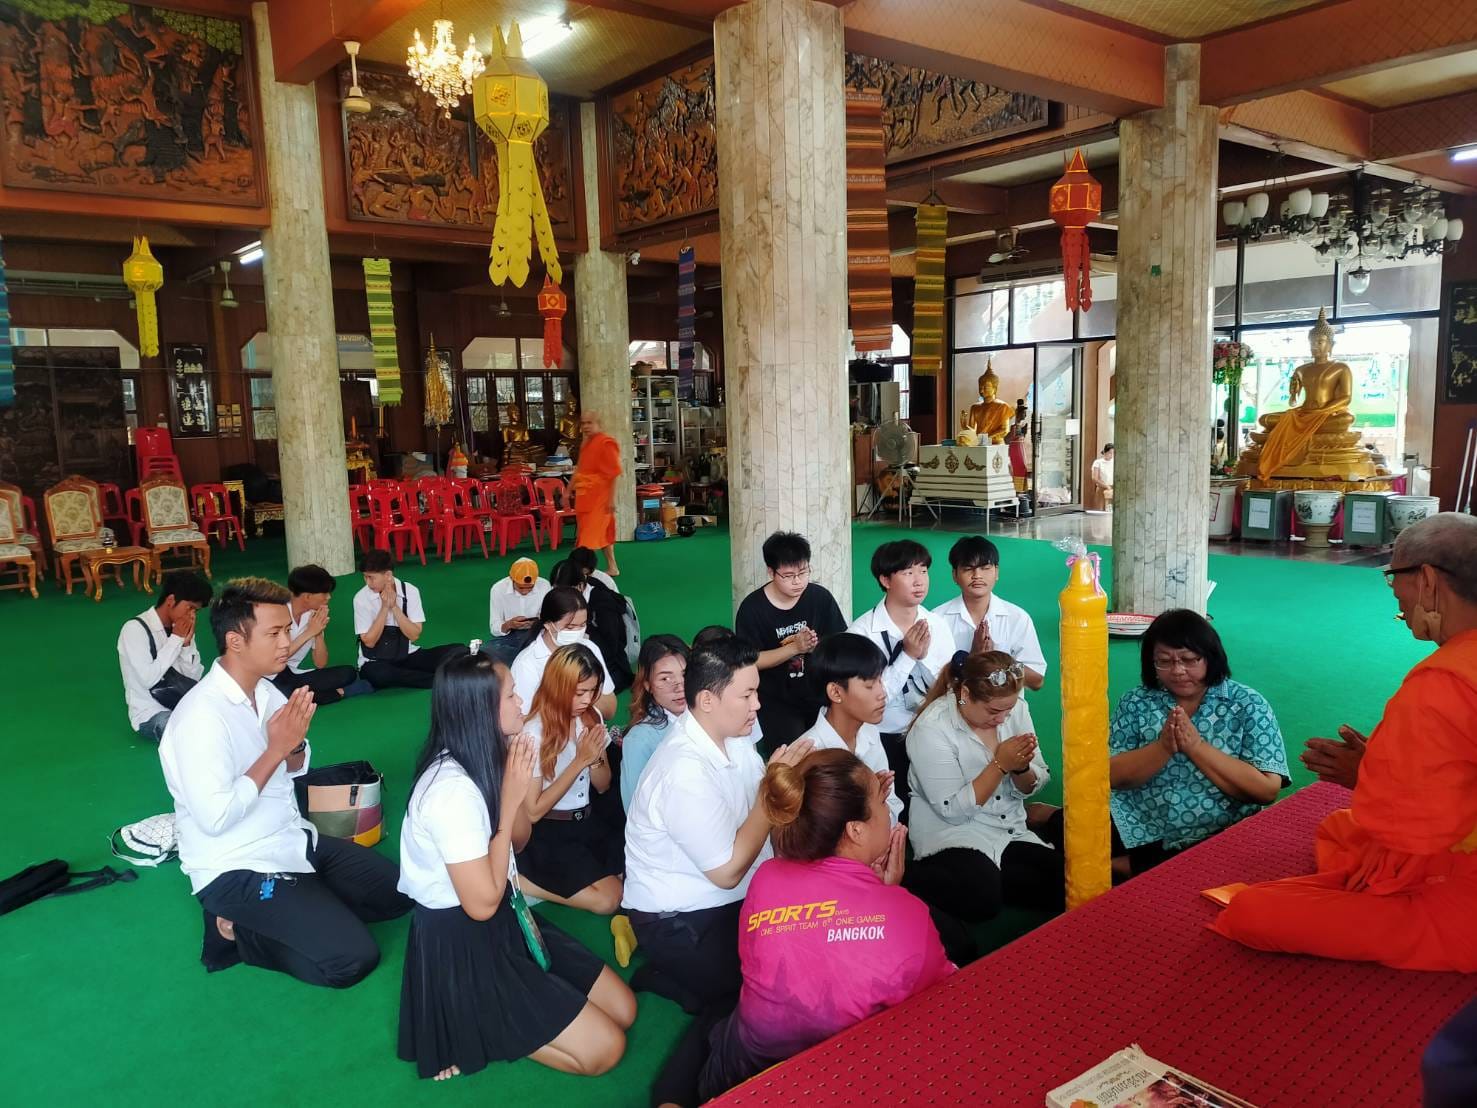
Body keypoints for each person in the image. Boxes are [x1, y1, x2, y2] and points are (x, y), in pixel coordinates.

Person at [1213, 515, 1477, 971]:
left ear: (1429, 580)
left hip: (1460, 899)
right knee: (1340, 828)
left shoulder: (1443, 685)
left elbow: (1413, 827)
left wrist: (1365, 775)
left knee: (1253, 913)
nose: (1395, 594)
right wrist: (1382, 767)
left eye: (1395, 578)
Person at [653, 749, 951, 1107]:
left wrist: (875, 896)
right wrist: (887, 899)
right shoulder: (907, 919)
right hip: (835, 1085)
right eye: (881, 802)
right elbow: (937, 996)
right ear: (855, 830)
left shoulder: (767, 877)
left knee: (721, 1014)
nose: (888, 811)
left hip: (739, 1070)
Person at [159, 578, 411, 987]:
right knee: (352, 960)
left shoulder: (268, 693)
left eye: (287, 630)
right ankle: (235, 931)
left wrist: (292, 749)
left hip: (293, 839)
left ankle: (307, 903)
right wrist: (276, 750)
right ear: (235, 641)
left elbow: (292, 769)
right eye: (274, 633)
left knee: (401, 894)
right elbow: (215, 818)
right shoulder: (199, 718)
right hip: (237, 866)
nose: (287, 643)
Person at [397, 652, 634, 1081]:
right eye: (511, 695)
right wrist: (508, 804)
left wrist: (515, 786)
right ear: (482, 710)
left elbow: (519, 840)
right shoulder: (450, 792)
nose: (522, 701)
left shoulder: (494, 753)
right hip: (464, 939)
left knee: (625, 1009)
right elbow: (480, 906)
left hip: (508, 911)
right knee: (606, 1050)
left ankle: (504, 1010)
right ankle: (471, 1021)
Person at [622, 637, 812, 1014]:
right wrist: (771, 793)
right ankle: (667, 975)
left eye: (756, 692)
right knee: (757, 991)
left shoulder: (734, 735)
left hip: (734, 891)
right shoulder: (683, 769)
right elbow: (726, 872)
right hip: (678, 916)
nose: (757, 705)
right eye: (747, 695)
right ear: (707, 700)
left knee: (801, 953)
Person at [1110, 609, 1287, 876]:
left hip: (1216, 830)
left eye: (1189, 659)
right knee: (1075, 831)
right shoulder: (1136, 701)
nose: (1178, 671)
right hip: (1136, 821)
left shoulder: (1248, 704)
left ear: (1210, 657)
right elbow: (1110, 775)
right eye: (1164, 661)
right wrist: (1162, 748)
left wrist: (1196, 747)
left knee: (1197, 868)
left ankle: (1126, 868)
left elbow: (1266, 790)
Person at [904, 651, 1062, 920]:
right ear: (965, 694)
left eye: (1009, 710)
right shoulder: (931, 728)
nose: (1003, 719)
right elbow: (951, 810)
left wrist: (1021, 768)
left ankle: (993, 876)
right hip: (952, 833)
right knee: (982, 898)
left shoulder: (1015, 709)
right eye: (993, 711)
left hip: (1008, 830)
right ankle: (907, 876)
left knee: (1066, 880)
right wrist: (999, 765)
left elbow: (1037, 779)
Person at [516, 644, 625, 915]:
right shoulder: (534, 733)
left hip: (586, 818)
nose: (587, 700)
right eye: (579, 693)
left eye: (592, 691)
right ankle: (520, 882)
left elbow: (603, 784)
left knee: (631, 875)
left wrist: (595, 756)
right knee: (609, 900)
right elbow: (533, 811)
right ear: (557, 687)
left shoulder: (590, 716)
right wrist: (579, 761)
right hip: (550, 829)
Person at [847, 539, 954, 815]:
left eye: (923, 571)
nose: (919, 581)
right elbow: (866, 701)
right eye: (908, 573)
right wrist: (907, 656)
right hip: (883, 736)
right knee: (889, 810)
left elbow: (949, 689)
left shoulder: (938, 625)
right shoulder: (861, 634)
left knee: (935, 807)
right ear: (885, 580)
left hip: (932, 731)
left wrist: (923, 659)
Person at [735, 531, 848, 750]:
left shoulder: (819, 597)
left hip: (819, 693)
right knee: (793, 758)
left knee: (829, 755)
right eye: (788, 576)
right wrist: (795, 647)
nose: (798, 582)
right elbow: (750, 661)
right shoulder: (753, 608)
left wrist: (816, 646)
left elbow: (839, 641)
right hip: (777, 701)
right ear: (771, 572)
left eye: (803, 572)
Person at [798, 633, 902, 824]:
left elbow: (892, 803)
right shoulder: (808, 753)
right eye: (870, 685)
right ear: (836, 692)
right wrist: (872, 802)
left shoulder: (869, 732)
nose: (882, 694)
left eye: (880, 681)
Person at [932, 536, 1047, 691]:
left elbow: (1036, 680)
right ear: (955, 575)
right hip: (955, 702)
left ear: (996, 572)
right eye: (968, 569)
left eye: (985, 568)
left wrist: (997, 662)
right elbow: (932, 681)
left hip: (1007, 705)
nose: (977, 575)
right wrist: (971, 659)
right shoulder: (937, 619)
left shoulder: (1017, 618)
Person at [353, 549, 468, 691]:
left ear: (388, 575)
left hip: (407, 654)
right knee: (378, 674)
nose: (367, 582)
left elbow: (414, 635)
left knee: (459, 650)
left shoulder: (410, 591)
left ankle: (417, 675)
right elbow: (369, 642)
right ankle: (437, 680)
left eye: (371, 577)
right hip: (375, 660)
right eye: (365, 577)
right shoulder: (361, 598)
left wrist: (394, 607)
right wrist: (384, 608)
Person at [118, 569, 212, 741]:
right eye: (190, 608)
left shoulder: (181, 628)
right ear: (171, 600)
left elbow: (193, 679)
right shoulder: (134, 630)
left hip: (183, 705)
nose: (192, 615)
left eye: (196, 611)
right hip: (151, 713)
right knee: (188, 732)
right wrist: (176, 639)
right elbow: (148, 679)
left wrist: (186, 646)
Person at [510, 586, 617, 719]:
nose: (578, 632)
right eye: (570, 627)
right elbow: (523, 719)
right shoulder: (526, 664)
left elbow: (610, 709)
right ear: (548, 624)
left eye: (582, 625)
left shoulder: (589, 648)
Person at [274, 564, 373, 704]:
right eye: (324, 593)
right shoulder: (277, 613)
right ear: (307, 596)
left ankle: (300, 695)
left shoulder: (313, 616)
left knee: (348, 673)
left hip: (293, 674)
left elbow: (320, 663)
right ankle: (339, 692)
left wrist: (318, 633)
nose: (329, 597)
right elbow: (274, 658)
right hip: (269, 673)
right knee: (281, 693)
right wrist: (310, 632)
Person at [620, 635, 689, 808]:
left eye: (685, 675)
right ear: (647, 685)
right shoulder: (639, 739)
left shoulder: (706, 720)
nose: (679, 686)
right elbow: (634, 808)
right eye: (665, 678)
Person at [551, 559, 635, 692]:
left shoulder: (603, 605)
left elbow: (612, 647)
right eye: (555, 590)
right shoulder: (576, 593)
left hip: (609, 666)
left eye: (565, 591)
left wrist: (583, 633)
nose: (560, 597)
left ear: (580, 586)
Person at [572, 410, 622, 578]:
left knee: (589, 536)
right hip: (585, 496)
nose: (585, 426)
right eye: (583, 423)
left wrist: (611, 500)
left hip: (601, 498)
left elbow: (613, 474)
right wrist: (567, 490)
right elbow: (579, 470)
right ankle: (612, 567)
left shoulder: (606, 443)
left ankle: (584, 570)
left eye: (589, 423)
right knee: (601, 533)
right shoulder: (585, 444)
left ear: (599, 424)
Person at [487, 557, 549, 664]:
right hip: (509, 636)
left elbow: (549, 616)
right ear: (511, 579)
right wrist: (509, 625)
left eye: (530, 588)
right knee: (487, 657)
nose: (525, 592)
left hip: (537, 632)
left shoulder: (544, 585)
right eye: (521, 588)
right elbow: (494, 627)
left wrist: (539, 622)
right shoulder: (498, 589)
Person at [1091, 443, 1114, 510]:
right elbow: (1094, 478)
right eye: (1110, 453)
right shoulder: (1098, 462)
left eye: (1113, 453)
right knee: (1100, 509)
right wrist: (1106, 486)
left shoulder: (1114, 462)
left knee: (1111, 509)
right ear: (1105, 452)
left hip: (1112, 489)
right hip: (1102, 488)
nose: (1111, 455)